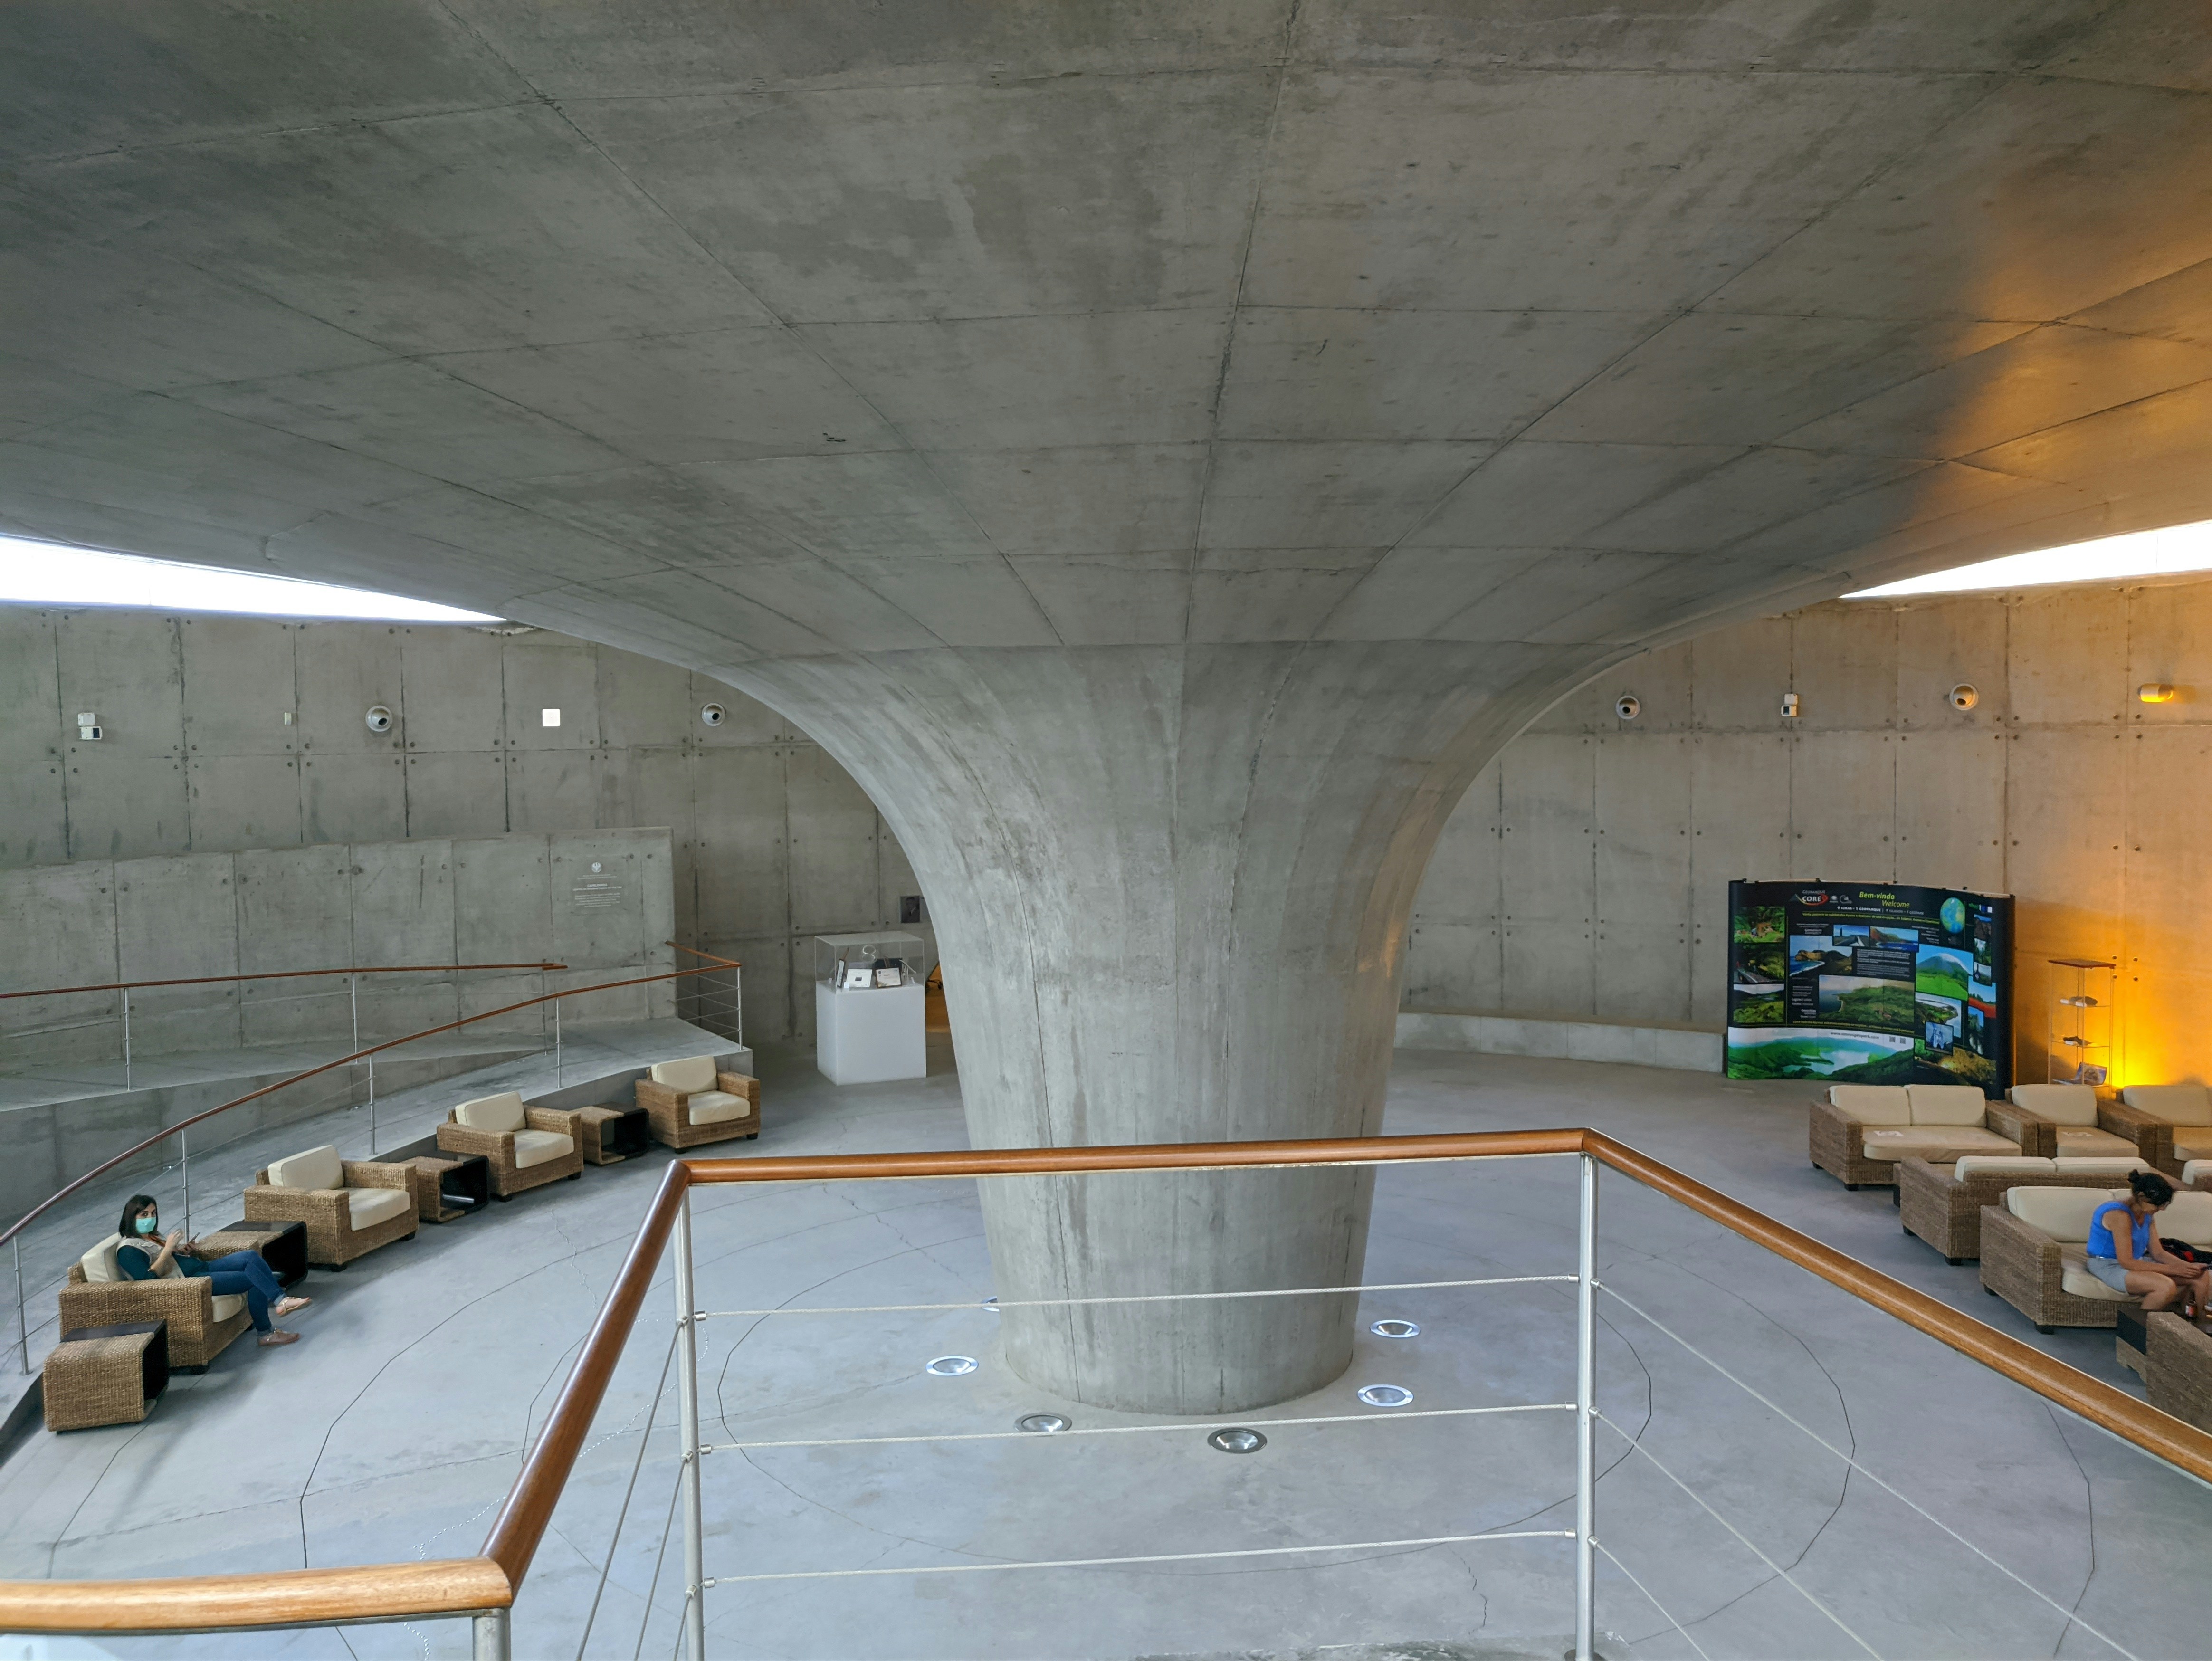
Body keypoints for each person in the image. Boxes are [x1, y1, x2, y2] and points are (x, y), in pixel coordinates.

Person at [113, 1194, 310, 1348]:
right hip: (192, 1281)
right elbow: (146, 1279)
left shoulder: (152, 1236)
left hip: (201, 1267)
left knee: (250, 1257)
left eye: (153, 1213)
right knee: (253, 1279)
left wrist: (182, 1251)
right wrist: (167, 1250)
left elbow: (169, 1259)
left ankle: (280, 1300)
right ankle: (266, 1333)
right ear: (132, 1218)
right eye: (144, 1215)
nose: (151, 1218)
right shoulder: (128, 1249)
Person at [2085, 1170, 2212, 1327]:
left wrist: (2187, 1266)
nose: (2162, 1209)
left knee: (2201, 1276)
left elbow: (2158, 1253)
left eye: (2164, 1204)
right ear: (2141, 1196)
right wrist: (2175, 1270)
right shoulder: (2119, 1215)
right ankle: (2136, 1334)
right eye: (2158, 1204)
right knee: (2165, 1286)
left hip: (2137, 1261)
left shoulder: (2146, 1214)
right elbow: (2126, 1262)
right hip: (2108, 1264)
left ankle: (2194, 1328)